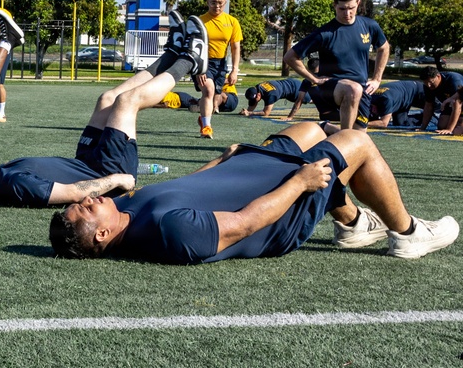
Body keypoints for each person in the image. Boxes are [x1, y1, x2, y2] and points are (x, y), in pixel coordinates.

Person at [49, 121, 459, 263]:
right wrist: (300, 182)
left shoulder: (124, 208)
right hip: (280, 208)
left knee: (312, 130)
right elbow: (246, 224)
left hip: (250, 170)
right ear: (102, 235)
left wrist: (222, 162)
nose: (86, 201)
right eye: (83, 211)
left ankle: (351, 223)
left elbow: (184, 187)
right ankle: (407, 235)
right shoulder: (168, 234)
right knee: (357, 142)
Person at [0, 15, 208, 207]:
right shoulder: (14, 186)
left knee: (107, 98)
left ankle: (171, 54)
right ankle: (189, 60)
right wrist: (117, 179)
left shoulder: (2, 180)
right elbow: (73, 192)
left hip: (86, 159)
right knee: (127, 102)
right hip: (106, 169)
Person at [284, 0, 390, 131]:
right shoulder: (324, 34)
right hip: (331, 87)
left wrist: (377, 79)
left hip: (361, 88)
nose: (347, 13)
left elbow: (384, 48)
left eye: (351, 8)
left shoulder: (369, 26)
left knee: (359, 138)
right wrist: (313, 79)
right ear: (334, 5)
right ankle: (341, 137)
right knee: (353, 90)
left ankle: (327, 129)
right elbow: (290, 57)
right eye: (342, 9)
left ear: (358, 3)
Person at [195, 0, 242, 139]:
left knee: (214, 95)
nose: (217, 6)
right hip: (203, 62)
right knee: (208, 90)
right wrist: (199, 69)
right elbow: (192, 46)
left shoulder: (232, 22)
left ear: (225, 2)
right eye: (213, 2)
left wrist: (235, 70)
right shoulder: (199, 21)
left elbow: (235, 48)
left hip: (221, 64)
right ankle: (207, 128)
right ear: (207, 2)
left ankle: (204, 119)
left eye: (221, 3)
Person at [417, 67, 463, 135]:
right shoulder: (428, 85)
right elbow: (428, 105)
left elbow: (458, 105)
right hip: (450, 105)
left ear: (438, 76)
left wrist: (449, 129)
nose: (429, 86)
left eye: (431, 82)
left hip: (461, 104)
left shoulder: (454, 80)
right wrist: (423, 127)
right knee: (442, 125)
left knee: (457, 130)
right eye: (426, 83)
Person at [241, 78, 305, 117]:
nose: (254, 102)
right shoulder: (258, 87)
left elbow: (266, 113)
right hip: (289, 84)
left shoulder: (271, 94)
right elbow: (252, 105)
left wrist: (250, 113)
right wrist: (247, 111)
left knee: (311, 100)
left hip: (296, 89)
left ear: (259, 95)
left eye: (254, 100)